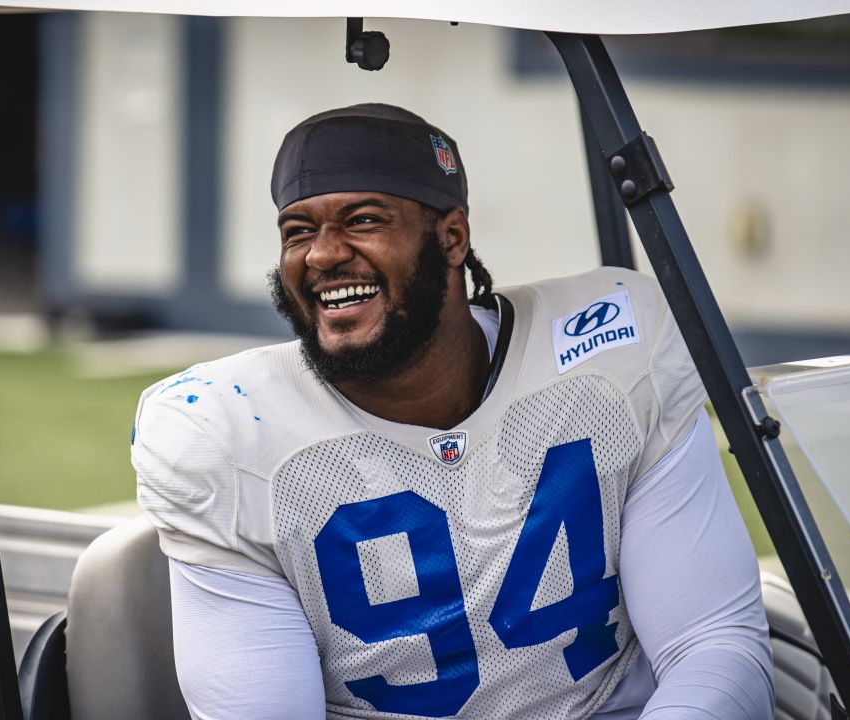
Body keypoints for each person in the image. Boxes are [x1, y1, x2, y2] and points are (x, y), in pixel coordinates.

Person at [132, 104, 774, 719]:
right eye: (298, 231)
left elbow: (712, 642)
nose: (323, 254)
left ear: (452, 237)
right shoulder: (219, 430)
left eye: (361, 220)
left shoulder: (614, 350)